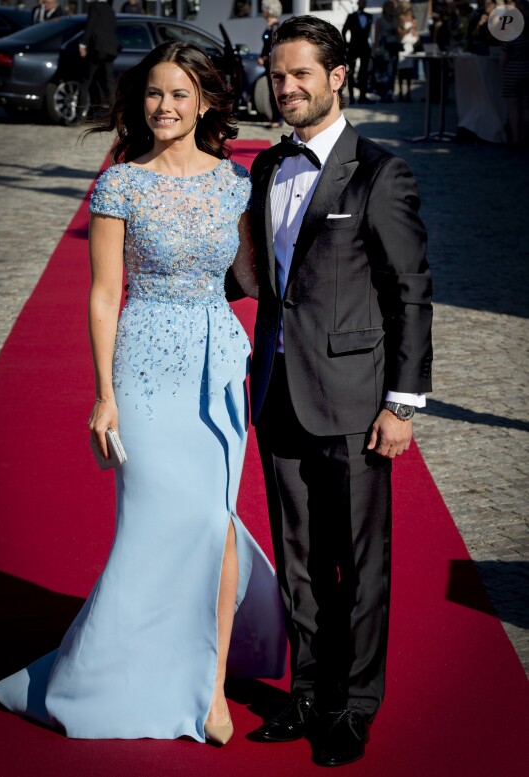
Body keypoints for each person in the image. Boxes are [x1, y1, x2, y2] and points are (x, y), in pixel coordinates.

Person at [0, 40, 286, 746]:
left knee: (214, 523)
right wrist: (103, 395)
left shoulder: (234, 184)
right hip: (145, 365)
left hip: (217, 367)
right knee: (153, 519)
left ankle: (210, 687)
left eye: (180, 94)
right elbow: (102, 294)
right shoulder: (121, 183)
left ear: (206, 102)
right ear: (139, 100)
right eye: (155, 93)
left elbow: (251, 277)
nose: (165, 106)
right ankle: (120, 667)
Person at [245, 15, 433, 767]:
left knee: (357, 563)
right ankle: (307, 689)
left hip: (358, 401)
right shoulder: (266, 167)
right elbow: (259, 278)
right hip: (279, 389)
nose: (285, 87)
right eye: (277, 75)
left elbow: (410, 293)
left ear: (336, 77)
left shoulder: (382, 173)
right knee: (297, 556)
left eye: (299, 75)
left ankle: (353, 705)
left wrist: (402, 402)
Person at [79, 0, 119, 115]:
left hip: (97, 48)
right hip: (110, 49)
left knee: (86, 81)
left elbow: (90, 25)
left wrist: (83, 44)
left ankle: (80, 113)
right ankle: (114, 113)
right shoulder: (110, 9)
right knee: (108, 82)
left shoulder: (94, 6)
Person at [501, 0, 529, 147]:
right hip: (526, 69)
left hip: (512, 71)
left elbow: (504, 57)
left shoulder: (511, 33)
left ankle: (516, 138)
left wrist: (502, 72)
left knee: (513, 107)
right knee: (525, 106)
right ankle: (524, 137)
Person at [342, 0, 374, 104]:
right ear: (358, 4)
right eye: (361, 2)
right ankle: (351, 96)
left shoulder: (369, 16)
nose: (362, 4)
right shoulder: (351, 16)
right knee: (350, 72)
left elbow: (371, 33)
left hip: (365, 48)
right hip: (353, 48)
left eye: (364, 2)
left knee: (364, 72)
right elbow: (344, 30)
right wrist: (346, 44)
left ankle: (362, 96)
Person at [258, 0, 283, 128]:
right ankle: (275, 117)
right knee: (272, 90)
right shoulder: (270, 27)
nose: (263, 12)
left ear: (268, 10)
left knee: (275, 91)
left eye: (264, 9)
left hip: (271, 64)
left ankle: (277, 118)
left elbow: (273, 47)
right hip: (268, 63)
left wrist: (265, 58)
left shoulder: (275, 27)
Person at [373, 0, 401, 101]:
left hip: (394, 48)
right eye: (389, 8)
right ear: (385, 9)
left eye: (392, 8)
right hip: (385, 49)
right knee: (385, 72)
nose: (391, 10)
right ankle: (383, 93)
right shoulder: (380, 20)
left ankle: (390, 92)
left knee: (393, 71)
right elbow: (376, 35)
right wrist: (376, 48)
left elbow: (398, 34)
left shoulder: (395, 20)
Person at [397, 12, 420, 100]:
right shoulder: (400, 22)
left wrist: (414, 32)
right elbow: (400, 35)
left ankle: (408, 92)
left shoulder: (413, 23)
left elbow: (417, 38)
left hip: (410, 49)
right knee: (401, 73)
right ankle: (400, 92)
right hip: (402, 50)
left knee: (409, 73)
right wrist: (407, 30)